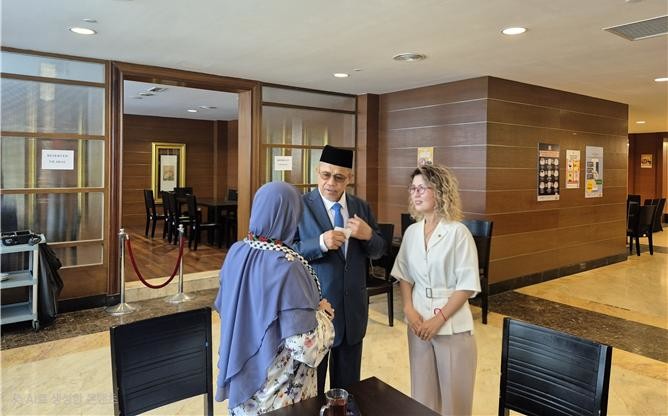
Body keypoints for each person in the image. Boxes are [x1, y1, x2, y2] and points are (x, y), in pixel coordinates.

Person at [214, 181, 335, 415]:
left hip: (245, 388)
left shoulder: (236, 252)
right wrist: (324, 315)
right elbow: (306, 348)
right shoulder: (287, 266)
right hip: (279, 395)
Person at [294, 145, 386, 394]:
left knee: (347, 393)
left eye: (339, 177)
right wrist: (319, 243)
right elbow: (287, 253)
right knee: (311, 393)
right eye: (326, 175)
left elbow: (379, 251)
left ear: (349, 178)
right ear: (317, 171)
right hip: (315, 313)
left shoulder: (360, 207)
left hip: (352, 312)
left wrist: (368, 235)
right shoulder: (300, 206)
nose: (331, 183)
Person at [391, 165, 480, 416]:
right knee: (422, 397)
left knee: (454, 402)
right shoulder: (412, 232)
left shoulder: (458, 233)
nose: (415, 194)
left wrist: (438, 319)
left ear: (440, 192)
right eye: (413, 189)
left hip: (451, 324)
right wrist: (409, 309)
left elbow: (466, 285)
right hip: (418, 321)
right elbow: (404, 275)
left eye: (422, 188)